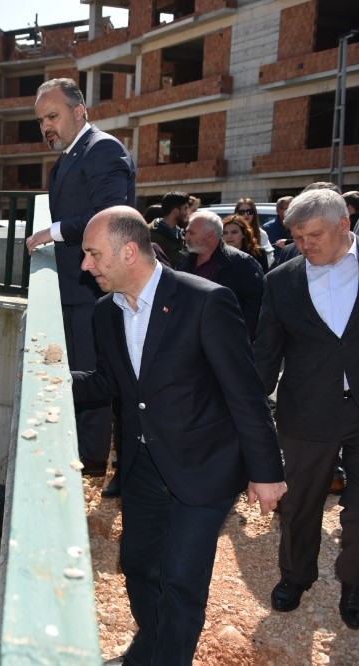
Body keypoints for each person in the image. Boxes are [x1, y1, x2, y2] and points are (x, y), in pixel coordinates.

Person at [72, 206, 285, 665]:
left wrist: (266, 472)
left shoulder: (206, 301)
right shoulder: (105, 312)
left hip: (204, 467)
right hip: (143, 466)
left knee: (182, 581)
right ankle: (152, 641)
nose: (85, 265)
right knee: (137, 566)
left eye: (93, 254)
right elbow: (113, 382)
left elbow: (245, 393)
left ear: (129, 252)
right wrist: (53, 383)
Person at [253, 187, 359, 630]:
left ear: (344, 226)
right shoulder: (281, 280)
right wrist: (245, 410)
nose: (305, 245)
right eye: (297, 237)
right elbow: (266, 355)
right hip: (305, 412)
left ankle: (354, 583)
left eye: (313, 235)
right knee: (298, 505)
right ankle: (296, 576)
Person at [25, 77, 136, 477]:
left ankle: (91, 461)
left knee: (92, 372)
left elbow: (111, 213)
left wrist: (51, 233)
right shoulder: (68, 157)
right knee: (77, 369)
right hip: (74, 287)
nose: (46, 127)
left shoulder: (102, 149)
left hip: (96, 286)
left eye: (52, 116)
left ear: (80, 111)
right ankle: (84, 452)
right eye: (41, 120)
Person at [178, 211, 264, 339]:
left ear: (210, 235)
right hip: (190, 341)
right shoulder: (185, 260)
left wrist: (241, 338)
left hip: (225, 341)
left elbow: (256, 305)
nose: (186, 237)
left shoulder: (241, 263)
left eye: (192, 233)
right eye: (186, 232)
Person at [147, 191, 191, 268]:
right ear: (176, 211)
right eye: (185, 209)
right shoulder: (152, 236)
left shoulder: (181, 234)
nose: (188, 213)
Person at [234, 198, 274, 270]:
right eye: (241, 212)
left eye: (249, 212)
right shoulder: (228, 231)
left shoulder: (261, 233)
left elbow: (269, 258)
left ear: (254, 214)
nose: (246, 215)